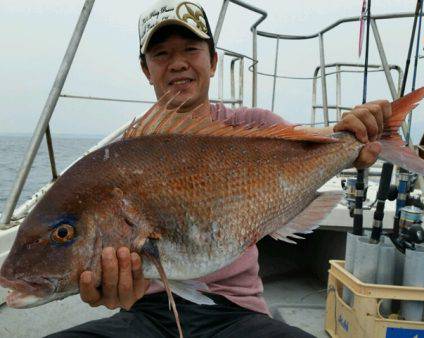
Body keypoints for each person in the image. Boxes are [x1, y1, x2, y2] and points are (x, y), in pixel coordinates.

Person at [47, 1, 391, 337]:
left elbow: (320, 143)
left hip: (237, 313)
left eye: (191, 49)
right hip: (146, 313)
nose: (178, 63)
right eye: (162, 54)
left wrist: (355, 134)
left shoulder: (255, 128)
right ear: (145, 69)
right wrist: (111, 288)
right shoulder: (124, 155)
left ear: (212, 61)